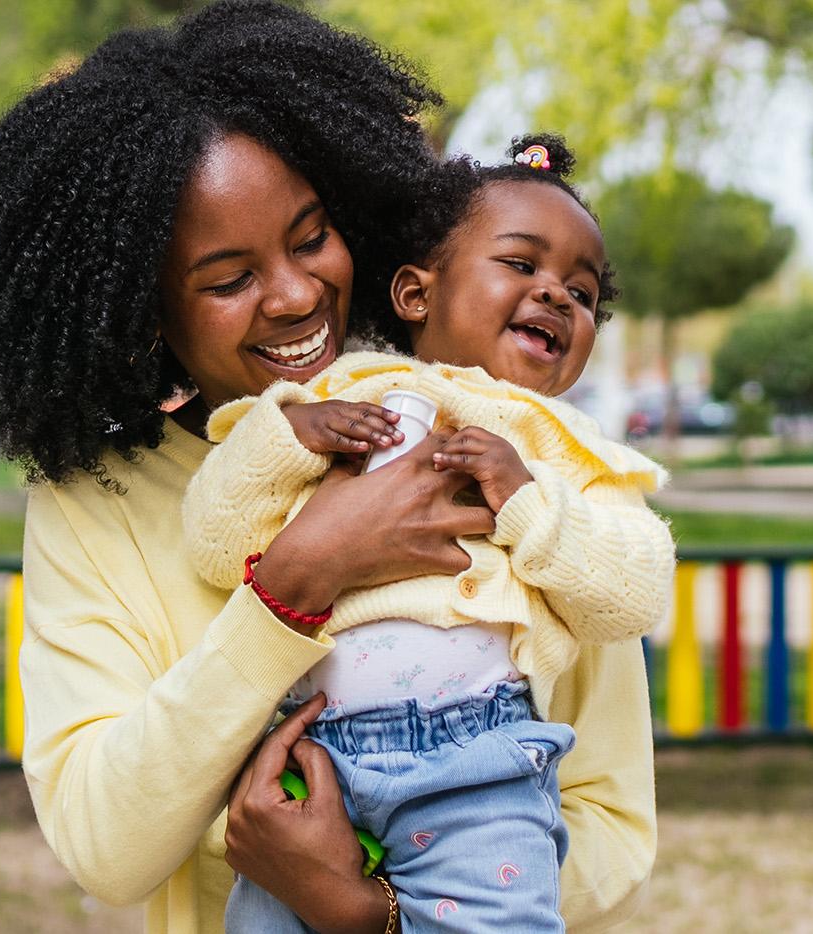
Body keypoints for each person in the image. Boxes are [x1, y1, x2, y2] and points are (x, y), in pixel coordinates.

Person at [0, 3, 657, 931]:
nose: (298, 293)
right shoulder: (96, 500)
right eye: (228, 280)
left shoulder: (502, 439)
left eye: (311, 238)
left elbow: (616, 824)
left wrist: (369, 914)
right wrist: (296, 583)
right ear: (147, 312)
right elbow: (106, 848)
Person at [183, 135, 674, 932]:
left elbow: (633, 595)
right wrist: (292, 437)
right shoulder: (340, 394)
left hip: (480, 767)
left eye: (581, 294)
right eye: (521, 265)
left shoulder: (570, 452)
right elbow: (215, 541)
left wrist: (526, 498)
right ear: (416, 294)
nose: (555, 295)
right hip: (316, 758)